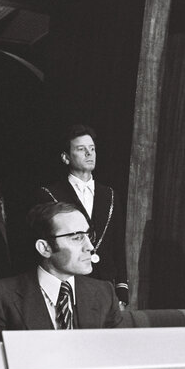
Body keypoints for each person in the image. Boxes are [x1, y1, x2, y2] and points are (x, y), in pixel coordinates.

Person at [0, 202, 123, 330]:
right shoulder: (2, 296)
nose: (90, 247)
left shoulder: (105, 293)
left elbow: (116, 354)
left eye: (88, 235)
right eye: (77, 237)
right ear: (45, 248)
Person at [37, 124, 129, 308]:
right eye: (81, 149)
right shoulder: (49, 194)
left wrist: (122, 289)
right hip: (68, 283)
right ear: (65, 157)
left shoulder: (109, 195)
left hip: (105, 286)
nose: (89, 154)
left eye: (92, 149)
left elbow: (118, 244)